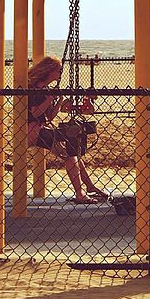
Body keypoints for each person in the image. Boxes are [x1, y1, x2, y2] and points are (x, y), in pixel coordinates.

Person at [26, 56, 106, 204]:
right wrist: (49, 99)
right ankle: (80, 192)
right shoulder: (34, 88)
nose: (60, 73)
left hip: (41, 128)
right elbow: (34, 113)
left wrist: (59, 101)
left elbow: (49, 116)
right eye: (59, 70)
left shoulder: (46, 89)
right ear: (50, 71)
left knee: (72, 152)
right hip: (32, 130)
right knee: (70, 155)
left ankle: (89, 186)